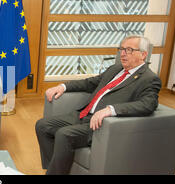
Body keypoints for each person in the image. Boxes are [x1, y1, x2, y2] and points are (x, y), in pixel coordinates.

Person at [35, 35, 161, 175]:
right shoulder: (116, 68)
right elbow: (90, 82)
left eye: (129, 50)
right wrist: (63, 87)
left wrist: (111, 110)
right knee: (42, 126)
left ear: (143, 54)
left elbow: (148, 104)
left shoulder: (149, 78)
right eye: (122, 49)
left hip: (101, 124)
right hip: (84, 114)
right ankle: (54, 168)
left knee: (63, 134)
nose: (123, 53)